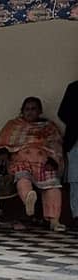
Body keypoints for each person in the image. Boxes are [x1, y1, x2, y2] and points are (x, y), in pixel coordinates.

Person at [0, 97, 67, 231]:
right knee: (22, 177)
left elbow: (56, 144)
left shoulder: (49, 127)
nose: (30, 112)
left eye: (33, 109)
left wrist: (53, 161)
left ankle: (54, 221)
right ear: (22, 111)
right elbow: (2, 143)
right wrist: (3, 153)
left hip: (43, 162)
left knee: (53, 184)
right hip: (21, 161)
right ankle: (29, 198)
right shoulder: (13, 125)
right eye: (27, 109)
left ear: (39, 111)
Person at [60, 81, 78, 220]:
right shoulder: (74, 87)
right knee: (75, 179)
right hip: (76, 139)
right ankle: (76, 215)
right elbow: (63, 113)